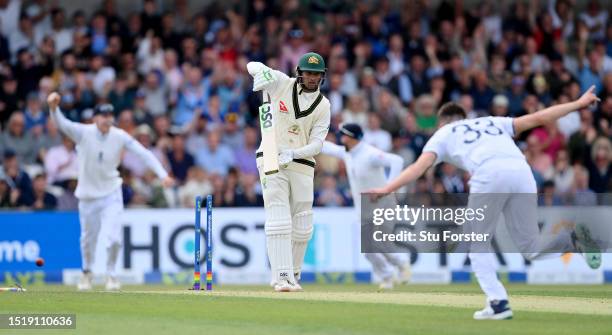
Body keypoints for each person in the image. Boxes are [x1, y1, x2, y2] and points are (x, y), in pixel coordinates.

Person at [370, 86, 601, 320]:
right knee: (530, 247)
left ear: (442, 122)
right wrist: (578, 103)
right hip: (521, 171)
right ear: (466, 118)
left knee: (477, 244)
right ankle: (571, 239)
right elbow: (538, 118)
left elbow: (418, 168)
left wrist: (387, 188)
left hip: (489, 174)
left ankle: (498, 303)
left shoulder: (443, 133)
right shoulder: (491, 121)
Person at [46, 92, 174, 291]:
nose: (107, 119)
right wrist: (54, 108)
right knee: (88, 239)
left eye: (109, 116)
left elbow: (144, 153)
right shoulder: (83, 133)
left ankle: (111, 275)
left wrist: (162, 174)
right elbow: (62, 124)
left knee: (114, 238)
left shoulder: (119, 136)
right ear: (95, 118)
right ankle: (87, 273)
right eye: (103, 116)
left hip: (111, 193)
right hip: (87, 195)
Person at [247, 52, 331, 292]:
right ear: (299, 72)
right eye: (308, 72)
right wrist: (260, 73)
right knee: (279, 217)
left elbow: (318, 144)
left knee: (303, 223)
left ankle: (293, 274)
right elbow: (252, 64)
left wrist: (294, 153)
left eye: (316, 74)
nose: (312, 77)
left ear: (322, 76)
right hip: (271, 156)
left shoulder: (323, 105)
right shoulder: (281, 83)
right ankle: (280, 277)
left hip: (302, 162)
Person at [321, 123, 411, 290]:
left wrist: (388, 188)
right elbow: (327, 147)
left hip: (384, 204)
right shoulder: (347, 153)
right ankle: (386, 276)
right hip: (364, 208)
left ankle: (402, 263)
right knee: (368, 251)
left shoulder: (370, 154)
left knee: (381, 241)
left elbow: (397, 160)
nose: (341, 137)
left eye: (344, 134)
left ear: (352, 137)